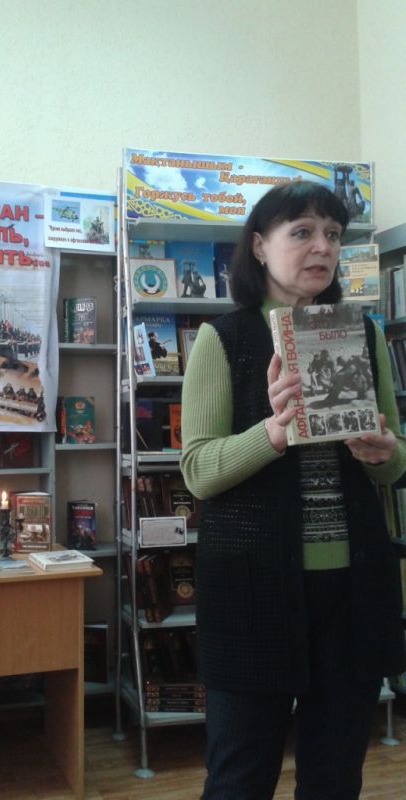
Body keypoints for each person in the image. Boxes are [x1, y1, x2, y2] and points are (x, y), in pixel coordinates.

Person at [180, 180, 406, 800]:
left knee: (335, 777)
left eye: (332, 234)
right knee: (239, 778)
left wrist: (385, 453)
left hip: (351, 593)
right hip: (253, 594)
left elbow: (393, 465)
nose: (322, 247)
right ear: (259, 246)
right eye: (301, 232)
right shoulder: (223, 339)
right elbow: (198, 470)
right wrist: (274, 433)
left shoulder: (362, 335)